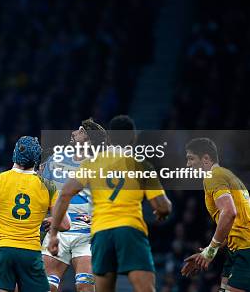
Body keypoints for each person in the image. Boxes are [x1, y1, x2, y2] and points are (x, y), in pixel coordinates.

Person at [48, 115, 172, 292]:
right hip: (130, 230)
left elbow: (65, 194)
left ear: (110, 137)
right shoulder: (141, 164)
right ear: (133, 137)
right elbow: (162, 206)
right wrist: (163, 212)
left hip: (101, 233)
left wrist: (53, 234)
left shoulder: (92, 163)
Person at [0, 136, 71, 292]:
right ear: (36, 159)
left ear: (15, 153)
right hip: (31, 252)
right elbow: (65, 224)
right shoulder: (49, 186)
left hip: (2, 250)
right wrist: (51, 220)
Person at [182, 137, 250, 292]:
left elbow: (229, 212)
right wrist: (207, 251)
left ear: (206, 159)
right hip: (239, 249)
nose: (188, 164)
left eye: (191, 159)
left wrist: (211, 251)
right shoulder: (228, 175)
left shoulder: (214, 177)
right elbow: (234, 225)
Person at [40, 118, 107, 292]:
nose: (73, 133)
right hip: (59, 230)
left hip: (87, 233)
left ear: (88, 140)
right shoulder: (56, 160)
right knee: (46, 287)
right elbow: (43, 192)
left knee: (84, 286)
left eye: (80, 130)